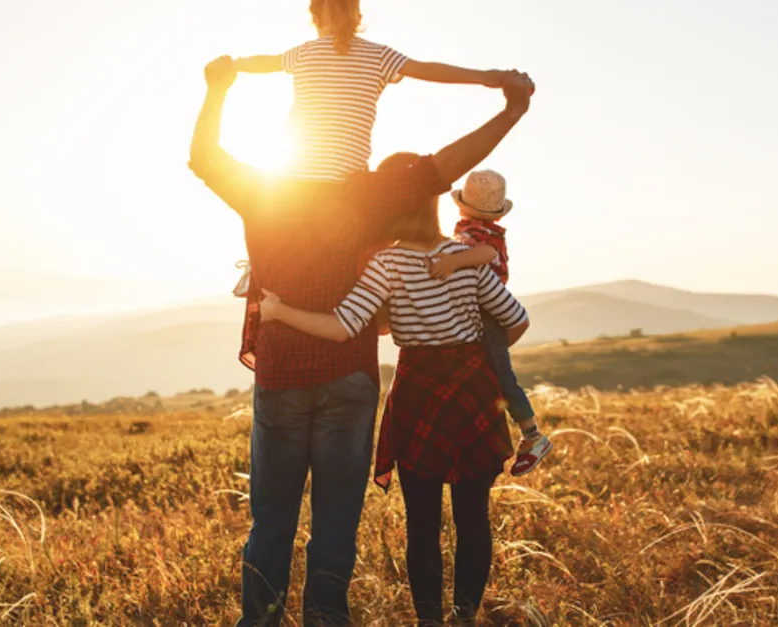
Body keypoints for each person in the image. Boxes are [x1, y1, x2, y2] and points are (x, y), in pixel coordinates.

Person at [188, 56, 534, 626]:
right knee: (336, 519)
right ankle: (327, 618)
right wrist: (510, 110)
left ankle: (261, 621)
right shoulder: (369, 197)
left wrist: (217, 90)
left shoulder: (262, 190)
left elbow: (203, 157)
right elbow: (446, 167)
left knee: (271, 519)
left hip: (281, 376)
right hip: (350, 378)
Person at [258, 166, 530, 624]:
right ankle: (463, 615)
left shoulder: (387, 263)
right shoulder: (468, 257)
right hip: (473, 391)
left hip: (419, 392)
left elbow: (343, 327)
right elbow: (516, 318)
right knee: (473, 516)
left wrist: (280, 311)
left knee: (422, 522)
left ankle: (429, 620)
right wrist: (478, 352)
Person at [234, 0, 511, 181]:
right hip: (347, 181)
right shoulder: (379, 55)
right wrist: (488, 77)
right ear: (358, 18)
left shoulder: (303, 53)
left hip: (293, 179)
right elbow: (429, 70)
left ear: (315, 19)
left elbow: (264, 63)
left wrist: (233, 65)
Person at [428, 169, 553, 475]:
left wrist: (453, 262)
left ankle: (532, 435)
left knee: (501, 375)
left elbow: (484, 254)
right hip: (479, 310)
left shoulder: (480, 235)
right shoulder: (475, 228)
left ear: (461, 205)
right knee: (487, 373)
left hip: (487, 311)